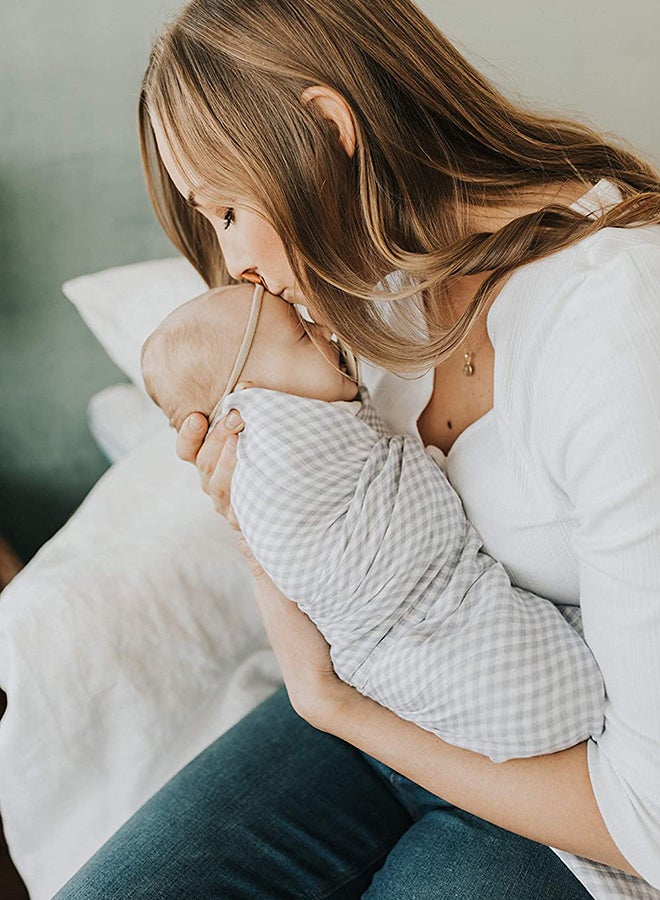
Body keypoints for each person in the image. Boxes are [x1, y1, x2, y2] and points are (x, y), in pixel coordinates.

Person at [54, 0, 660, 897]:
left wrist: (329, 703)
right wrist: (254, 510)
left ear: (329, 129)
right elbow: (336, 548)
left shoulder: (617, 326)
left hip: (564, 770)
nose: (236, 268)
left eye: (226, 211)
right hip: (389, 696)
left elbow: (647, 821)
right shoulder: (358, 293)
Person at [141, 282, 605, 764]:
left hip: (453, 712)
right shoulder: (269, 441)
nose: (324, 329)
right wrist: (248, 528)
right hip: (379, 671)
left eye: (232, 214)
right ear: (254, 396)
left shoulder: (373, 307)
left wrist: (322, 697)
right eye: (302, 333)